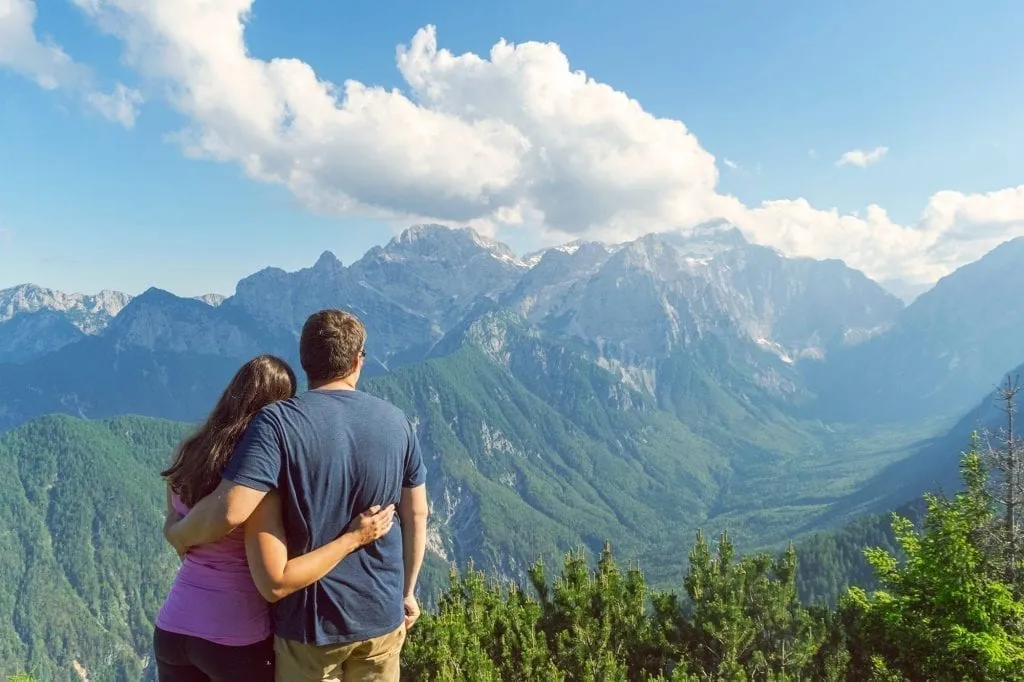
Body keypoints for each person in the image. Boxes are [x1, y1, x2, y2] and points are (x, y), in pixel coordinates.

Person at [165, 310, 429, 682]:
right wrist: (407, 591)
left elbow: (231, 509)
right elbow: (417, 514)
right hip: (380, 616)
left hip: (310, 625)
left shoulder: (277, 423)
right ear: (358, 361)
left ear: (305, 362)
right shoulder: (397, 421)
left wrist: (177, 533)